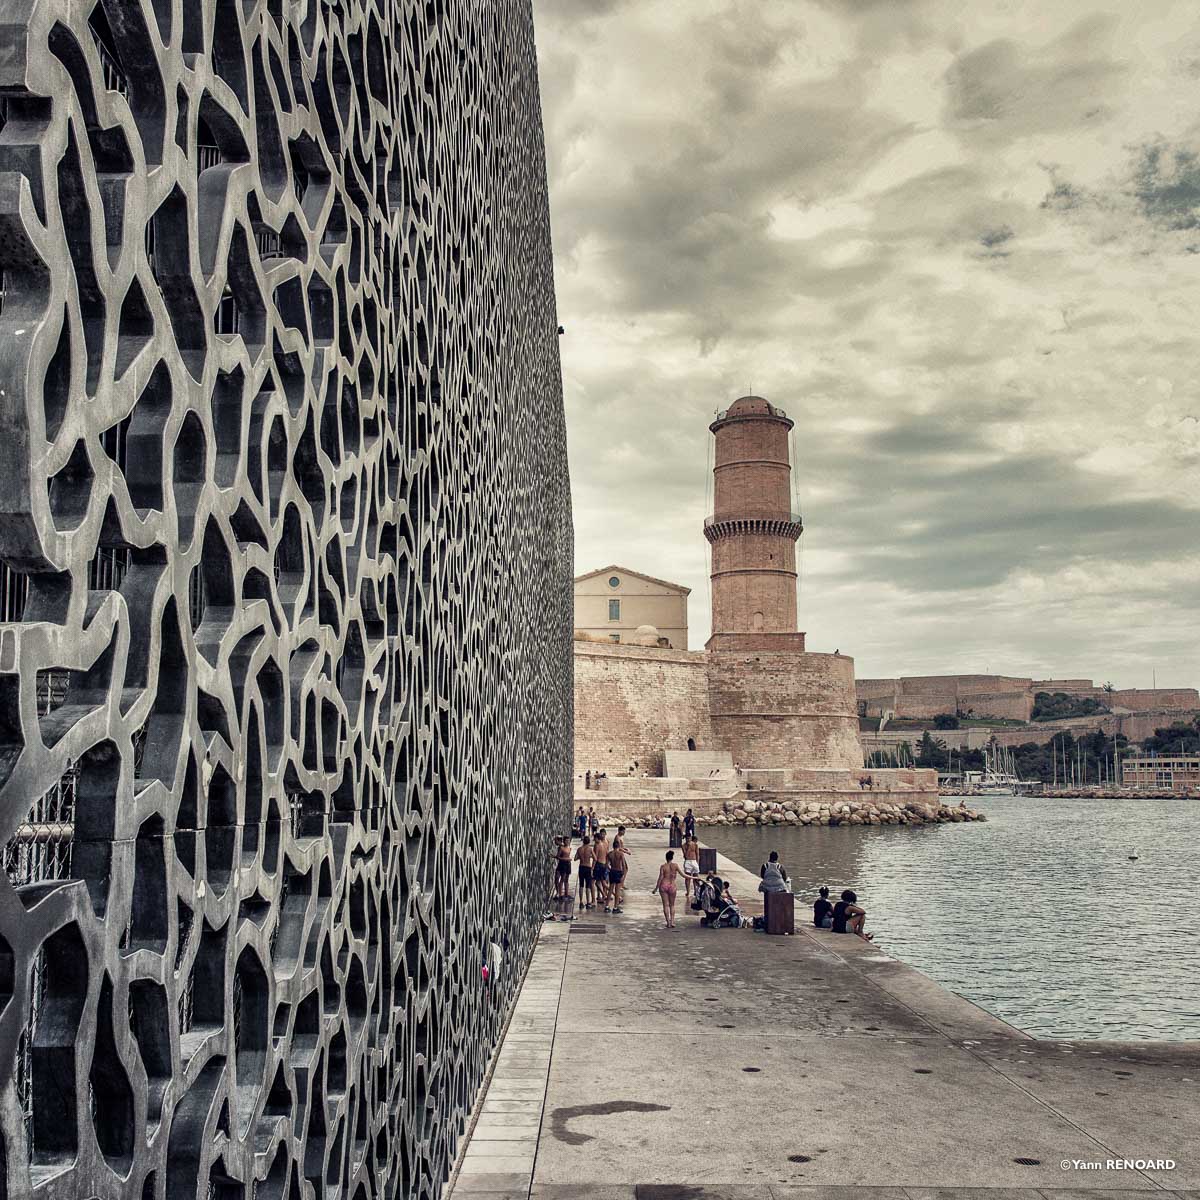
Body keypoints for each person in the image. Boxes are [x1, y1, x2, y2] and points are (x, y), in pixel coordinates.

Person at [653, 850, 682, 929]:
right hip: (672, 885)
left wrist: (656, 888)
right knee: (672, 905)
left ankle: (668, 923)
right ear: (672, 858)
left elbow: (660, 878)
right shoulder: (675, 866)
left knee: (665, 905)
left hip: (663, 885)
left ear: (666, 858)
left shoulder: (663, 867)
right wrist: (693, 877)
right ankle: (672, 921)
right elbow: (683, 875)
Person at [574, 835, 595, 910]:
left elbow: (575, 858)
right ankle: (588, 902)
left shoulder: (579, 849)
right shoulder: (590, 849)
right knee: (588, 885)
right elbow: (595, 858)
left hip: (581, 867)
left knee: (581, 885)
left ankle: (581, 902)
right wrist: (592, 868)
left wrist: (581, 856)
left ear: (583, 841)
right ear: (589, 842)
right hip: (588, 867)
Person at [608, 841, 628, 914]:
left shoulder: (610, 854)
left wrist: (610, 870)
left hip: (612, 871)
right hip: (618, 871)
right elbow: (623, 865)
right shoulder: (620, 854)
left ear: (613, 846)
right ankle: (615, 907)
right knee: (617, 890)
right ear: (619, 846)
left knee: (610, 889)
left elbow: (607, 865)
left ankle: (607, 906)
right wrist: (623, 874)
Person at [593, 827, 610, 910]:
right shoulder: (603, 844)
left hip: (599, 865)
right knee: (602, 882)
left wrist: (592, 867)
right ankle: (604, 895)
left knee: (597, 882)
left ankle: (604, 895)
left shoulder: (597, 845)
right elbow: (607, 854)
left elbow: (595, 858)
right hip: (603, 864)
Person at [681, 833, 700, 901]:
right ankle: (688, 891)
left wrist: (697, 863)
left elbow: (697, 854)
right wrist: (688, 847)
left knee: (696, 877)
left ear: (691, 838)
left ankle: (696, 891)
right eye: (687, 838)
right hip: (688, 861)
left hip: (694, 861)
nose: (688, 840)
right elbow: (685, 855)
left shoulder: (695, 845)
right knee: (687, 878)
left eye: (689, 838)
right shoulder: (683, 845)